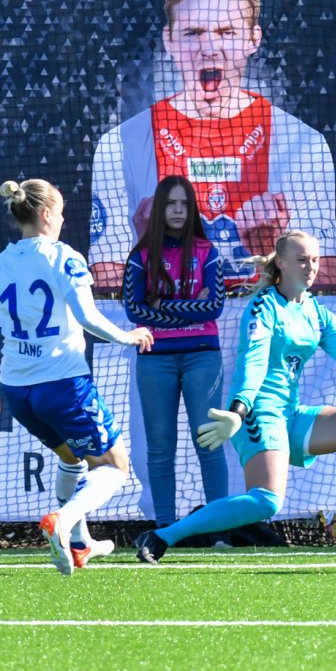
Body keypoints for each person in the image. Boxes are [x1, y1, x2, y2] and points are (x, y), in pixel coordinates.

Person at [133, 229, 336, 563]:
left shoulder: (317, 313)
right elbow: (253, 362)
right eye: (302, 260)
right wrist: (238, 410)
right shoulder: (263, 306)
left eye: (315, 260)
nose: (311, 267)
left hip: (290, 415)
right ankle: (161, 536)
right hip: (257, 413)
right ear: (281, 263)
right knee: (266, 501)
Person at [89, 0, 336, 292]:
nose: (209, 49)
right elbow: (107, 286)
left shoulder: (302, 144)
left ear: (253, 39)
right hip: (167, 323)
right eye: (193, 33)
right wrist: (151, 247)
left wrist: (269, 250)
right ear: (169, 40)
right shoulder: (121, 144)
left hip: (263, 322)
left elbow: (324, 284)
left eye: (226, 32)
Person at [0, 178, 154, 576]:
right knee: (115, 466)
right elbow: (87, 316)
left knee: (72, 458)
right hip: (63, 384)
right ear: (46, 214)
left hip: (18, 392)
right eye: (61, 212)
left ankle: (80, 543)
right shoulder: (62, 257)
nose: (64, 219)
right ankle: (64, 520)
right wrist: (128, 336)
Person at [124, 175, 229, 526]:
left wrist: (162, 305)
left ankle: (218, 530)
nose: (179, 210)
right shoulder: (140, 257)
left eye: (185, 204)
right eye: (171, 203)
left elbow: (213, 307)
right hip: (154, 359)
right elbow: (134, 311)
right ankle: (164, 530)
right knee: (160, 445)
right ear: (159, 208)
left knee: (208, 439)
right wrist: (188, 306)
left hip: (202, 354)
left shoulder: (208, 252)